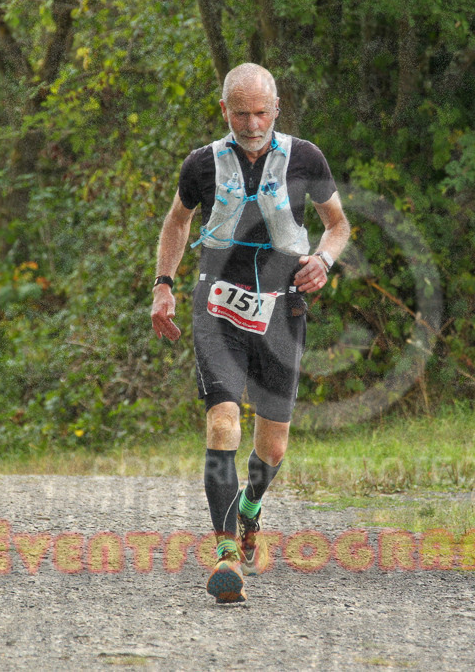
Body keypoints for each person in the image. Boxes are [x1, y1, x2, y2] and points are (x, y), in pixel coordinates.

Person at [150, 63, 350, 603]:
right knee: (222, 424)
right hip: (218, 302)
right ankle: (225, 554)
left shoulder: (306, 158)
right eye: (241, 113)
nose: (253, 123)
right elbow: (177, 221)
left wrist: (325, 262)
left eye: (262, 112)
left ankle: (251, 510)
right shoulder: (202, 164)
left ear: (277, 108)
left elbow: (338, 225)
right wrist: (163, 284)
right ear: (224, 111)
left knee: (273, 445)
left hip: (282, 310)